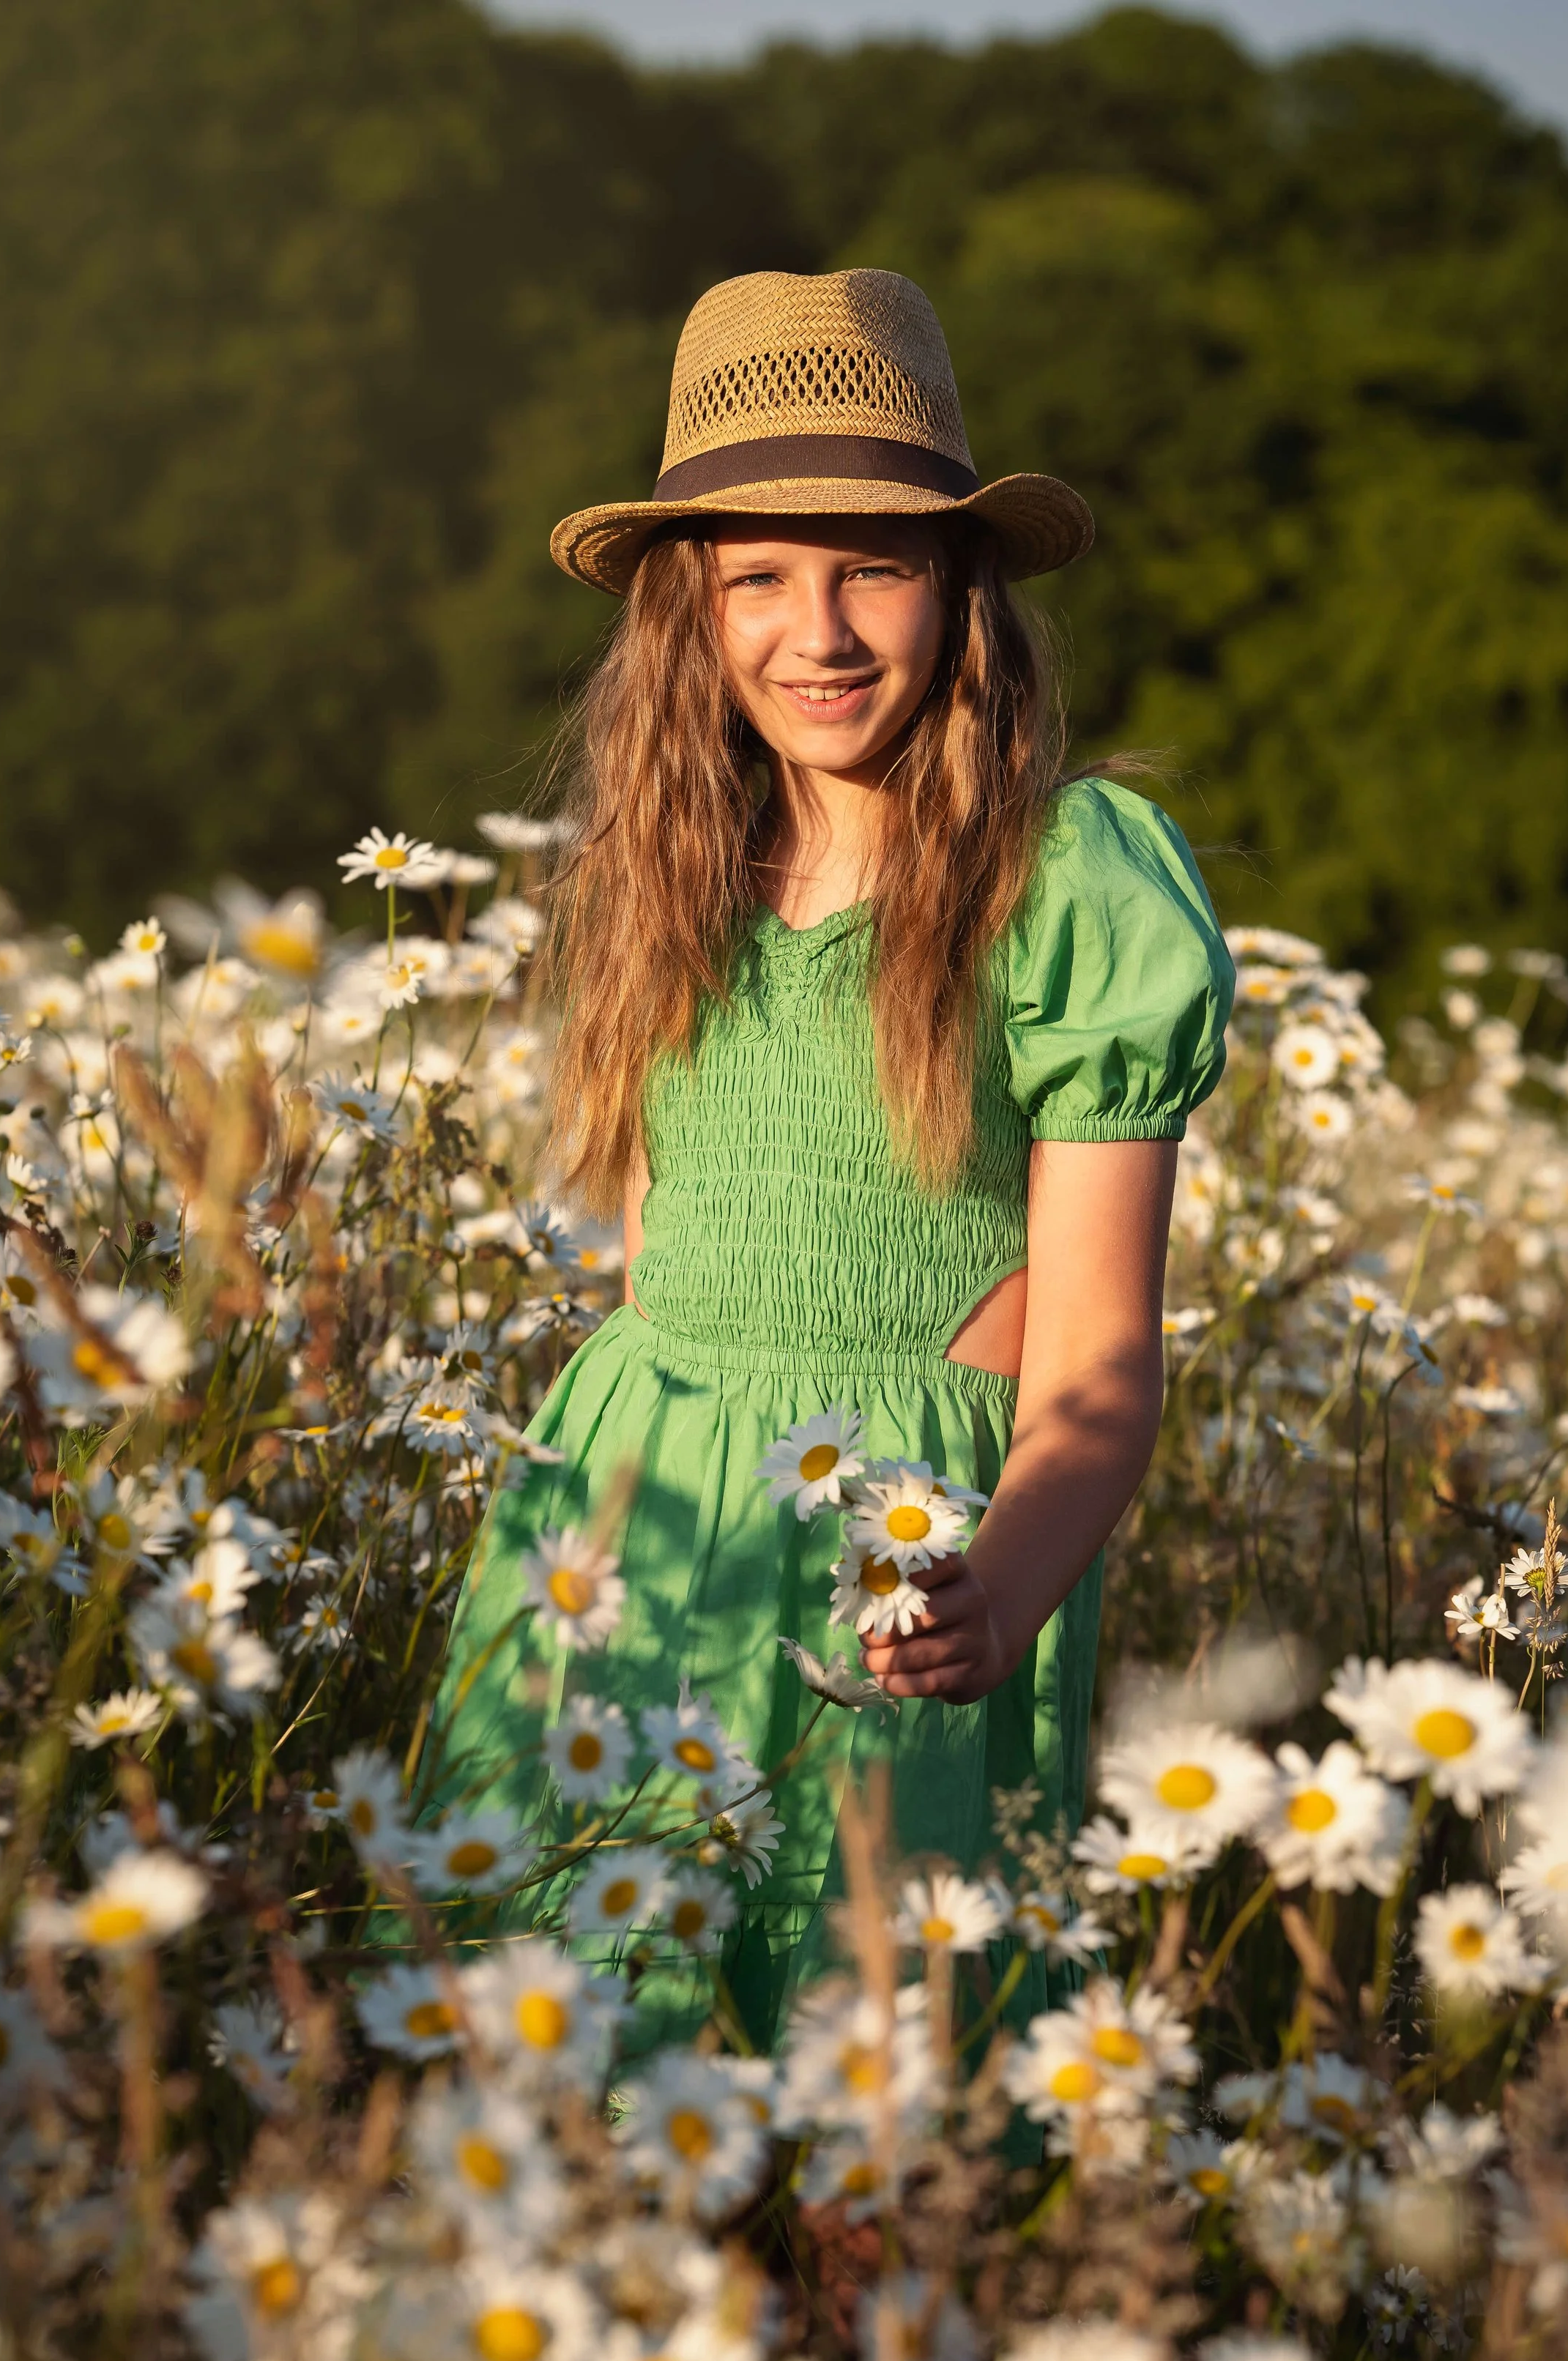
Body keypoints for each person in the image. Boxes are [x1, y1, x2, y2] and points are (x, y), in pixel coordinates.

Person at [429, 269, 1233, 2048]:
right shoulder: (666, 870)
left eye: (873, 566)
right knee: (585, 2032)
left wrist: (999, 1587)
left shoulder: (1066, 882)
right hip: (639, 1520)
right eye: (760, 580)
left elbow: (1097, 1354)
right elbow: (655, 1258)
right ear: (686, 615)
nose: (822, 629)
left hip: (909, 1558)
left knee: (859, 2050)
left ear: (962, 590)